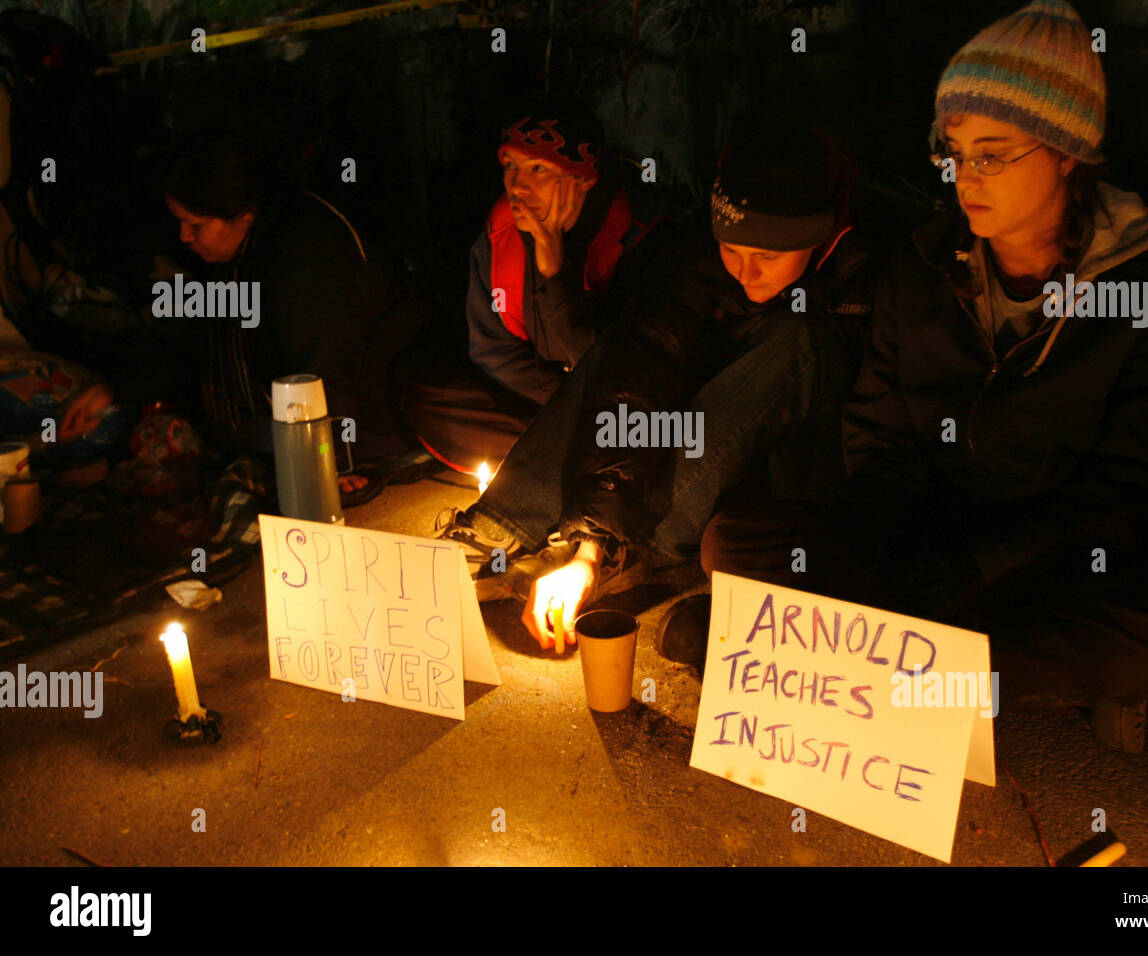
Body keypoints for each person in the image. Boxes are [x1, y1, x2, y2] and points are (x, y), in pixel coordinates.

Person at [694, 0, 1148, 752]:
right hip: (923, 541)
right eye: (956, 152)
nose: (966, 177)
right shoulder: (922, 266)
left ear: (1068, 151)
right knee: (733, 541)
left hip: (1054, 564)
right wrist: (900, 547)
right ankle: (929, 670)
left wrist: (982, 563)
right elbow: (877, 432)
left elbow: (1137, 490)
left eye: (993, 154)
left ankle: (847, 659)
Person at [437, 124, 875, 653]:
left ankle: (630, 547)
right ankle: (509, 522)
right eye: (732, 249)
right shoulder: (695, 260)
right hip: (686, 433)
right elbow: (638, 371)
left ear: (815, 237)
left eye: (767, 257)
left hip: (785, 475)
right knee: (624, 355)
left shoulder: (864, 280)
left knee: (798, 341)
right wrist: (589, 544)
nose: (746, 272)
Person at [164, 135, 426, 490]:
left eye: (196, 225)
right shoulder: (242, 251)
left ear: (243, 215)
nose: (184, 236)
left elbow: (322, 365)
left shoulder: (303, 255)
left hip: (373, 424)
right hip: (279, 427)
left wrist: (329, 465)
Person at [401, 97, 639, 474]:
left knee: (637, 428)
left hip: (611, 408)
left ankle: (553, 461)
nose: (517, 185)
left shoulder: (633, 239)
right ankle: (566, 461)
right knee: (428, 394)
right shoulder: (501, 235)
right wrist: (559, 405)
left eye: (538, 168)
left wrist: (554, 272)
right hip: (546, 403)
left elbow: (611, 371)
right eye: (510, 166)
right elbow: (493, 352)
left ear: (580, 179)